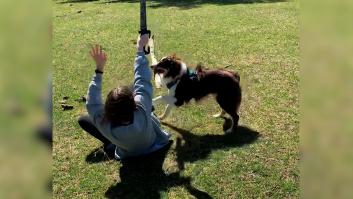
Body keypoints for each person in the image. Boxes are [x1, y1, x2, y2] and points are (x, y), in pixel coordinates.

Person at [78, 34, 170, 160]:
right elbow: (142, 80)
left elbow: (92, 103)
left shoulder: (105, 124)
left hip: (128, 154)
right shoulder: (142, 108)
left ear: (108, 110)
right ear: (134, 104)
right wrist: (139, 49)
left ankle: (111, 144)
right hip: (155, 145)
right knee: (136, 88)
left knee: (83, 120)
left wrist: (99, 69)